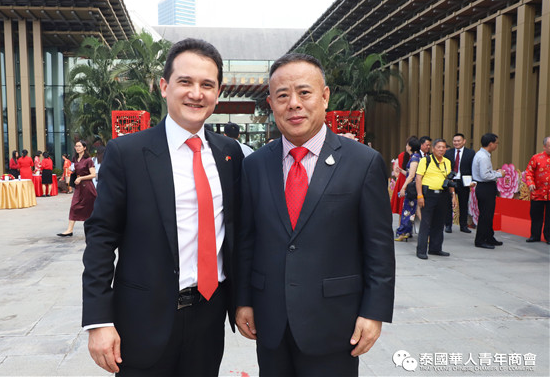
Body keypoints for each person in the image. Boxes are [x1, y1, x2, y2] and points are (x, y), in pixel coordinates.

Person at [82, 38, 244, 376]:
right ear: (164, 86)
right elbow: (101, 236)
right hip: (143, 319)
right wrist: (98, 320)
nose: (196, 93)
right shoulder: (127, 153)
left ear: (217, 93)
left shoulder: (229, 154)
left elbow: (238, 233)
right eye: (185, 82)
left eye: (207, 85)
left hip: (209, 317)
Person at [235, 53, 395, 376]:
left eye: (304, 92)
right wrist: (243, 301)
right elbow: (246, 240)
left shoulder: (362, 162)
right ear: (271, 103)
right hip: (271, 322)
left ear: (324, 97)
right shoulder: (254, 165)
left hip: (335, 323)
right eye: (283, 95)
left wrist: (374, 312)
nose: (294, 104)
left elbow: (378, 246)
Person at [415, 138, 457, 259]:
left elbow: (449, 179)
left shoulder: (447, 162)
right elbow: (418, 178)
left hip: (443, 195)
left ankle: (435, 248)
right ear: (433, 149)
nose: (441, 149)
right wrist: (420, 195)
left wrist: (453, 195)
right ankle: (421, 250)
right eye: (439, 147)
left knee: (439, 223)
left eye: (443, 147)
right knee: (425, 223)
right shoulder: (425, 160)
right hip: (429, 194)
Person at [472, 133, 506, 249]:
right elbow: (485, 175)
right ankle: (480, 240)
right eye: (496, 143)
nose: (496, 145)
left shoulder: (482, 154)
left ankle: (489, 237)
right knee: (485, 215)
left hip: (484, 187)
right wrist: (499, 174)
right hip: (485, 187)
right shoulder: (483, 157)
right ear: (490, 144)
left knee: (488, 214)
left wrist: (494, 173)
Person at [57, 141, 96, 236]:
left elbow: (93, 174)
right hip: (78, 186)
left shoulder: (88, 160)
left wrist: (81, 178)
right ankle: (69, 230)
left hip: (87, 186)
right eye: (76, 146)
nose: (77, 148)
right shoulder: (75, 159)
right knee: (74, 206)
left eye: (79, 146)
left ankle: (95, 228)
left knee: (90, 208)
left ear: (84, 148)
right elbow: (74, 169)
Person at [444, 133, 476, 233]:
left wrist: (473, 180)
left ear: (464, 141)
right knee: (448, 203)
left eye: (458, 141)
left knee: (463, 203)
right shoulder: (448, 153)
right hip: (451, 181)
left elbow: (473, 167)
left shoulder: (470, 153)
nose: (456, 143)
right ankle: (448, 225)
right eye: (454, 141)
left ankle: (463, 225)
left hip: (464, 182)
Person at [524, 136, 550, 244]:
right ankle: (535, 235)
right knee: (536, 215)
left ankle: (548, 236)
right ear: (544, 147)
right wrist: (530, 183)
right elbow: (529, 172)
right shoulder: (536, 158)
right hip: (538, 192)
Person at [395, 136, 422, 241]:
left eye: (407, 145)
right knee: (416, 211)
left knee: (408, 210)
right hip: (414, 187)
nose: (406, 146)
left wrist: (403, 187)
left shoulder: (414, 158)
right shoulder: (416, 157)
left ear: (410, 147)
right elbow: (410, 173)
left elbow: (411, 176)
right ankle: (405, 232)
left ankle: (403, 232)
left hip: (412, 188)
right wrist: (401, 171)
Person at [390, 137, 416, 215]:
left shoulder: (401, 155)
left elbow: (397, 172)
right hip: (409, 182)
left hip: (401, 181)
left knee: (402, 211)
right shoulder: (416, 157)